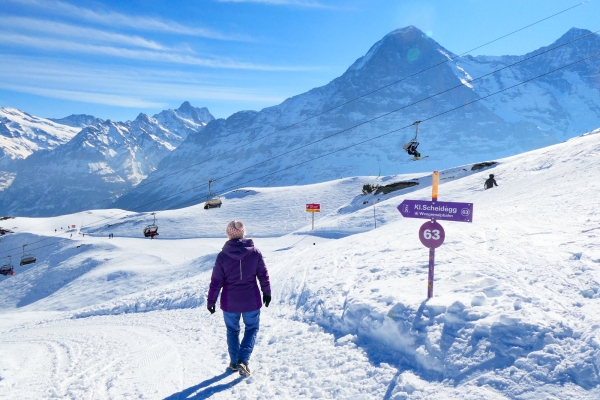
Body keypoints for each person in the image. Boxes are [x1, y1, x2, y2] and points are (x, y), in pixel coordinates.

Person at [207, 220, 271, 377]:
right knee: (251, 329)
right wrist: (267, 293)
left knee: (232, 330)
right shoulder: (255, 252)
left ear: (229, 234)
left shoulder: (222, 256)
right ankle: (243, 360)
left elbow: (216, 281)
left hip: (230, 302)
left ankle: (235, 362)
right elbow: (263, 275)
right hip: (251, 300)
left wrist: (211, 301)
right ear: (243, 233)